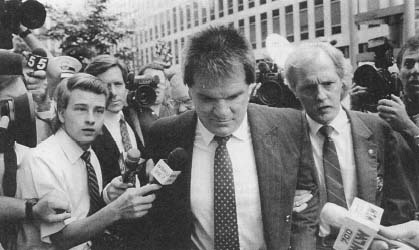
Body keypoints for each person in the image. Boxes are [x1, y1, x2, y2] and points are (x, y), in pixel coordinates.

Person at [146, 26, 318, 250]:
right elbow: (159, 219)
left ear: (250, 86)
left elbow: (307, 206)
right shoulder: (165, 135)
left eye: (233, 97)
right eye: (207, 99)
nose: (222, 112)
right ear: (189, 91)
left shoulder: (291, 126)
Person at [284, 42, 414, 249]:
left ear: (343, 83)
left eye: (328, 83)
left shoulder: (377, 129)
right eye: (309, 87)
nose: (320, 95)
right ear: (294, 90)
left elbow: (398, 201)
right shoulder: (284, 138)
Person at [17, 73, 160, 250]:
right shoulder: (41, 161)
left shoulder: (89, 153)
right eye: (81, 109)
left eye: (99, 111)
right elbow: (60, 238)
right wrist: (116, 210)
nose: (91, 119)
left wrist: (108, 195)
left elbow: (81, 211)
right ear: (61, 114)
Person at [0, 51, 71, 250]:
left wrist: (41, 102)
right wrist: (31, 209)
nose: (9, 110)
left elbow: (52, 146)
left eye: (14, 101)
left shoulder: (31, 124)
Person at [84, 55, 149, 249]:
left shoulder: (134, 117)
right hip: (109, 233)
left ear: (127, 85)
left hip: (144, 228)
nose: (112, 93)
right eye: (105, 86)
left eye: (118, 84)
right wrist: (106, 195)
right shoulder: (87, 129)